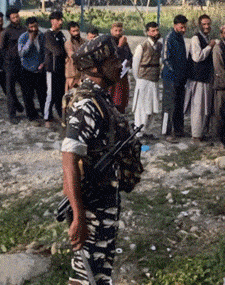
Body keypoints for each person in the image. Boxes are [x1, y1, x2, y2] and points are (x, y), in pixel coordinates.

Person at [62, 34, 141, 285]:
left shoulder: (102, 98)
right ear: (96, 68)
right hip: (90, 206)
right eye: (112, 61)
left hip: (105, 199)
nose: (119, 65)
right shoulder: (86, 103)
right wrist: (78, 216)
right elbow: (69, 158)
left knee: (100, 274)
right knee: (85, 274)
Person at [186, 15, 216, 144]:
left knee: (205, 107)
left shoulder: (207, 38)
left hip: (206, 78)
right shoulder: (195, 39)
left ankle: (201, 133)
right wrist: (209, 47)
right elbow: (197, 57)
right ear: (199, 25)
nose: (207, 26)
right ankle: (196, 135)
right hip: (197, 78)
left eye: (208, 24)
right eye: (204, 24)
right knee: (198, 107)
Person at [162, 15, 189, 142]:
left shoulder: (180, 38)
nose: (183, 29)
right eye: (181, 27)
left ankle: (178, 130)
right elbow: (166, 59)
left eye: (185, 27)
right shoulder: (169, 38)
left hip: (180, 78)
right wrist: (175, 74)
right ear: (175, 26)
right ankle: (166, 132)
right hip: (170, 78)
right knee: (169, 106)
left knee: (179, 104)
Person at [132, 22, 162, 133]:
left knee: (153, 107)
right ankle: (138, 131)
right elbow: (135, 66)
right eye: (153, 31)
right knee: (141, 107)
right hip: (143, 80)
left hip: (154, 80)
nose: (156, 33)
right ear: (148, 32)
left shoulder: (159, 46)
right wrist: (139, 79)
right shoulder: (142, 46)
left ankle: (147, 131)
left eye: (157, 30)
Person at [18, 17, 47, 123]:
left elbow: (44, 51)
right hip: (26, 70)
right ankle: (32, 116)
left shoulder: (42, 36)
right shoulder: (23, 37)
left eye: (35, 26)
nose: (34, 29)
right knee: (28, 96)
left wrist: (43, 63)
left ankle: (45, 114)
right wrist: (30, 40)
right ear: (27, 27)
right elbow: (21, 53)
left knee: (42, 94)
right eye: (31, 27)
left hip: (39, 70)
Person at [0, 8, 26, 123]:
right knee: (10, 90)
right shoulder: (6, 31)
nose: (16, 19)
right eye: (13, 17)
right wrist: (8, 58)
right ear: (10, 19)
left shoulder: (24, 29)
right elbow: (1, 48)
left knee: (26, 88)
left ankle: (30, 111)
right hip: (10, 64)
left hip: (23, 63)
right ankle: (12, 114)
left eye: (17, 17)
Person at [44, 11, 67, 128]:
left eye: (61, 19)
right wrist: (63, 51)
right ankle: (47, 117)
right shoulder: (48, 35)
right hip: (52, 70)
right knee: (51, 94)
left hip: (61, 69)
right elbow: (57, 51)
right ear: (53, 21)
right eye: (58, 20)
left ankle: (60, 115)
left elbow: (65, 49)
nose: (61, 22)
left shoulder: (61, 35)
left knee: (61, 94)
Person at [108, 22, 132, 114]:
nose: (118, 33)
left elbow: (129, 55)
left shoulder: (125, 42)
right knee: (113, 100)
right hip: (113, 76)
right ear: (111, 31)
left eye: (120, 30)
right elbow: (112, 56)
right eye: (116, 30)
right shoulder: (109, 42)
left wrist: (130, 61)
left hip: (123, 76)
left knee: (122, 101)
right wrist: (120, 46)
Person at [65, 22, 86, 91]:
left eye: (77, 30)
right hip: (72, 77)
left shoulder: (84, 42)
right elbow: (72, 55)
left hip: (83, 76)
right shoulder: (68, 43)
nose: (76, 33)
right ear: (69, 32)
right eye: (73, 31)